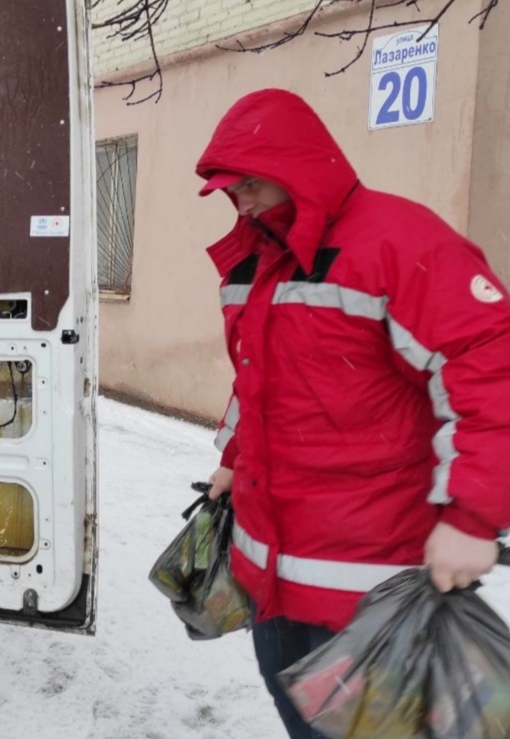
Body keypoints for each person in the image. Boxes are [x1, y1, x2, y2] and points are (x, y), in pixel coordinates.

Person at [195, 89, 510, 739]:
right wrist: (231, 458)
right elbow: (258, 379)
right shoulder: (257, 261)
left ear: (297, 169)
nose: (241, 203)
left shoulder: (398, 242)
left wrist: (473, 515)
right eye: (232, 190)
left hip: (372, 589)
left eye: (251, 184)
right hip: (272, 576)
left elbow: (490, 369)